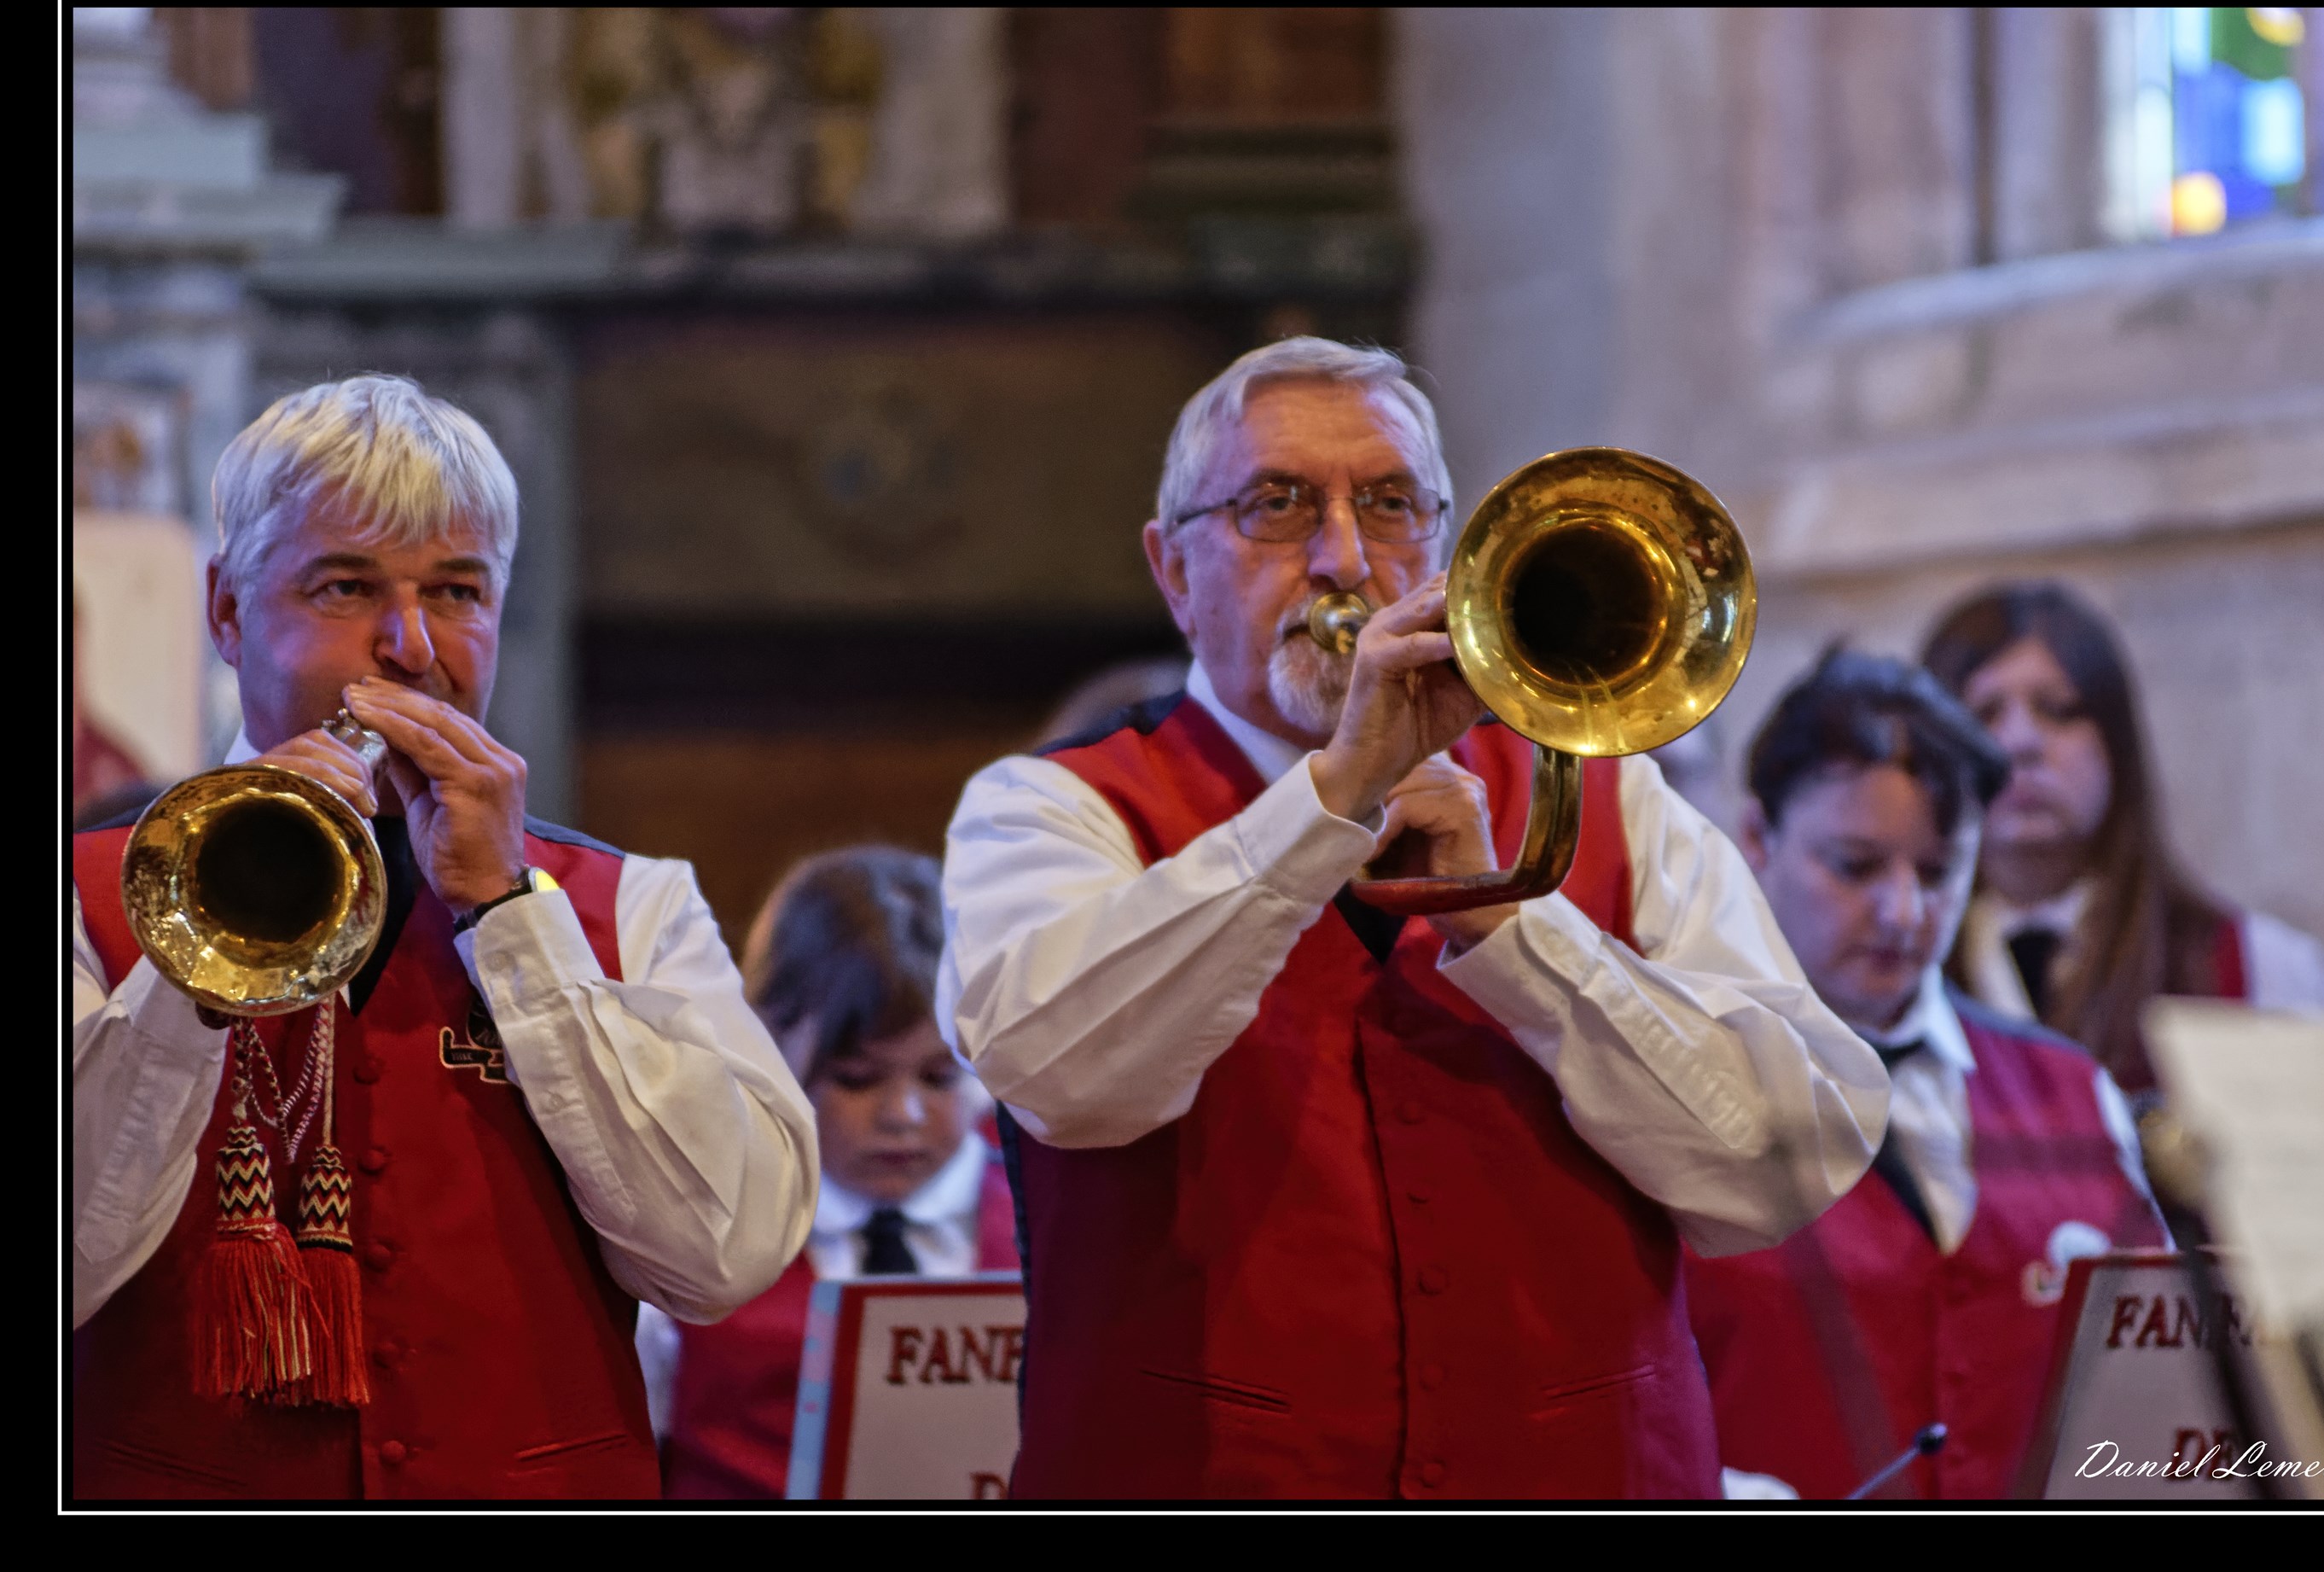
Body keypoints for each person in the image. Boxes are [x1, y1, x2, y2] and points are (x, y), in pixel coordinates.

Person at [935, 336, 1887, 1500]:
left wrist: (1511, 931)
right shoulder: (1049, 807)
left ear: (1443, 545)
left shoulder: (1610, 794)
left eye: (1390, 505)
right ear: (1173, 572)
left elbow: (1783, 1171)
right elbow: (1066, 1075)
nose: (1345, 561)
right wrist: (1330, 800)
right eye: (1275, 506)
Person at [70, 376, 819, 1499]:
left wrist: (512, 916)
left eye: (457, 591)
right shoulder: (84, 890)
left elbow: (723, 1256)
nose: (410, 646)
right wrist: (199, 947)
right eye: (344, 586)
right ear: (226, 610)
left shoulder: (634, 900)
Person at [1684, 649, 2169, 1501]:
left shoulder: (2075, 1092)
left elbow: (2162, 1387)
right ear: (1756, 838)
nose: (1904, 912)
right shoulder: (1667, 1086)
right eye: (1857, 864)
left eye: (1940, 872)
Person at [642, 846, 1017, 1499]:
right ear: (765, 1041)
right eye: (858, 1078)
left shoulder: (1049, 1224)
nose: (903, 1114)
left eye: (939, 1076)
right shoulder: (687, 1238)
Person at [1921, 584, 2324, 1096]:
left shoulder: (2262, 971)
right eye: (1983, 713)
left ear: (2117, 746)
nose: (2021, 743)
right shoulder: (1897, 971)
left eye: (2057, 709)